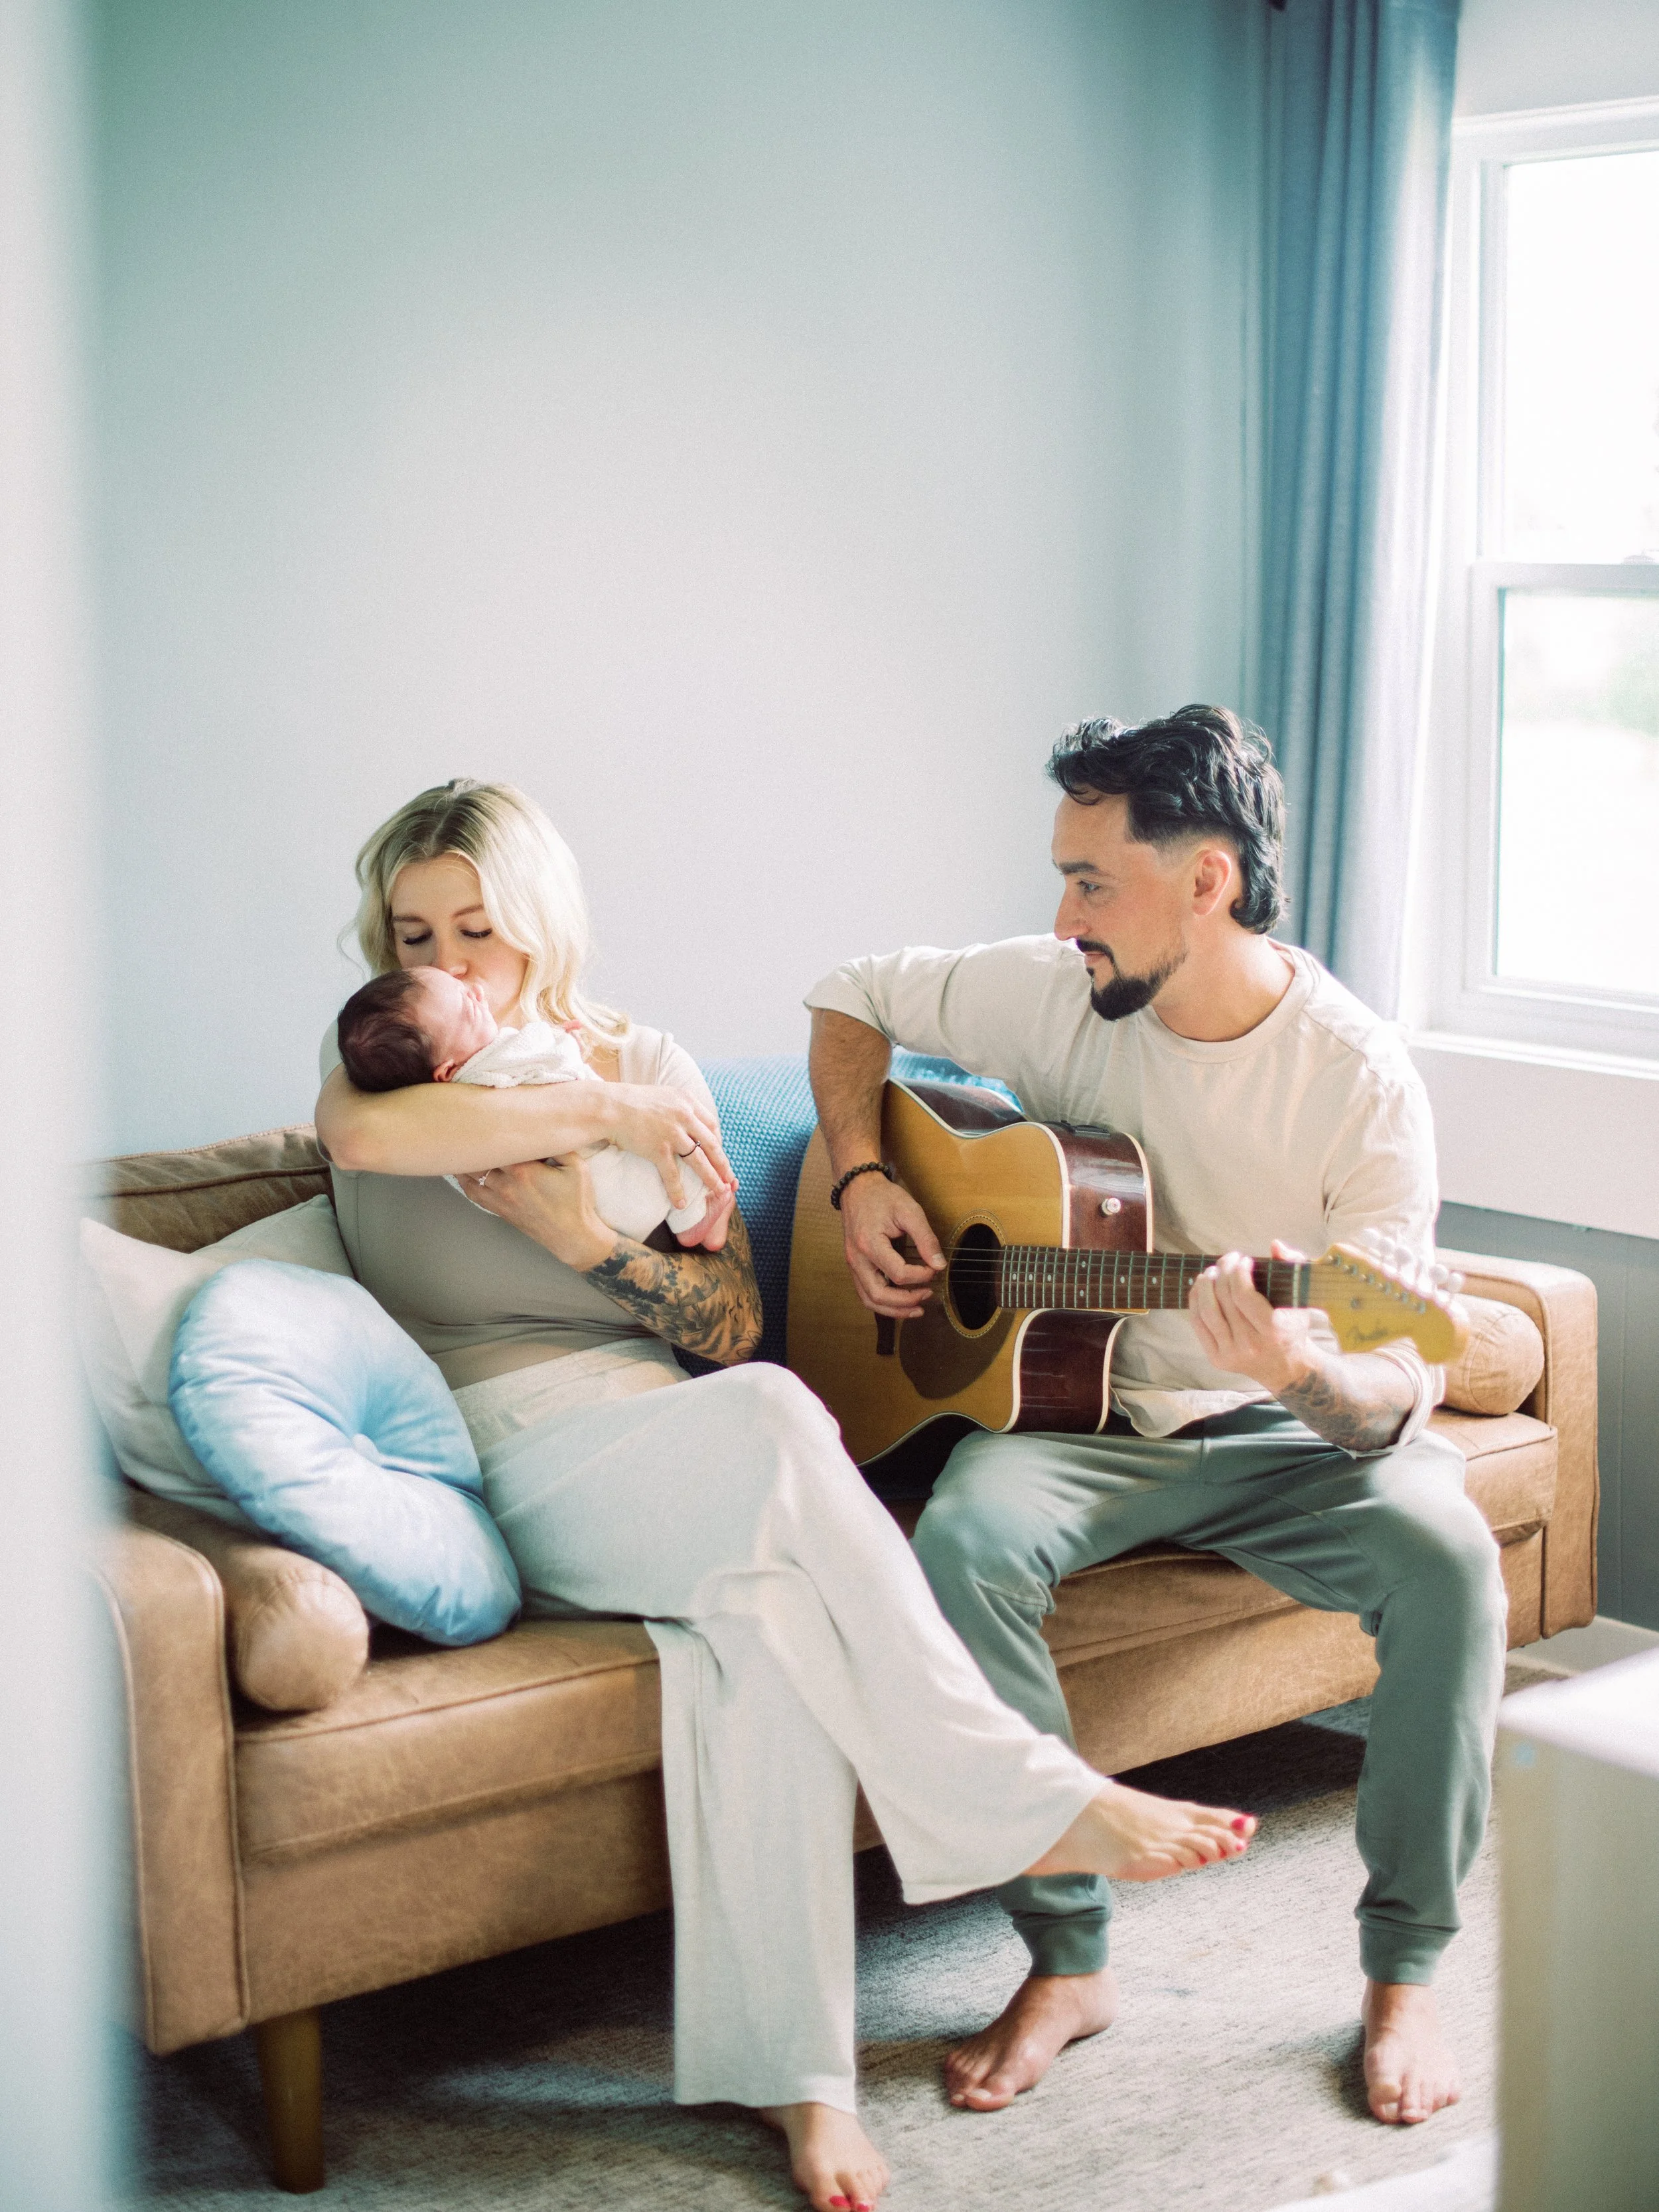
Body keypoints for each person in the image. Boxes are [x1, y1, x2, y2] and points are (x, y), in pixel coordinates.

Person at [315, 777, 1256, 2212]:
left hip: (672, 1443)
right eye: (415, 930)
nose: (446, 965)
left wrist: (588, 1239)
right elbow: (374, 1148)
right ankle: (1010, 1792)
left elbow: (721, 1321)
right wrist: (615, 1110)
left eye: (478, 930)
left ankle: (796, 2077)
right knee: (768, 1418)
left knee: (758, 1618)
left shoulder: (651, 1055)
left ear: (545, 924)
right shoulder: (382, 1066)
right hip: (502, 1449)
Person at [805, 706, 1507, 2132]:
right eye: (1061, 875)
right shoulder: (1053, 988)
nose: (1060, 916)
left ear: (1207, 883)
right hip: (1079, 1420)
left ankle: (1401, 1972)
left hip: (1280, 1430)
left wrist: (1308, 1369)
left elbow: (1393, 1372)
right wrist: (858, 1179)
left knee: (1448, 1556)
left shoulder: (1353, 1080)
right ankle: (1066, 1958)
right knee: (961, 1539)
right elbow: (845, 995)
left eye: (1089, 881)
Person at [334, 963, 710, 1240]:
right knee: (682, 1173)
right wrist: (564, 1042)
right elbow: (548, 1065)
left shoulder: (423, 1106)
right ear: (446, 1072)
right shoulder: (489, 1064)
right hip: (611, 1186)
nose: (476, 993)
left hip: (598, 1206)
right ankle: (696, 1220)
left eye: (476, 930)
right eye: (414, 937)